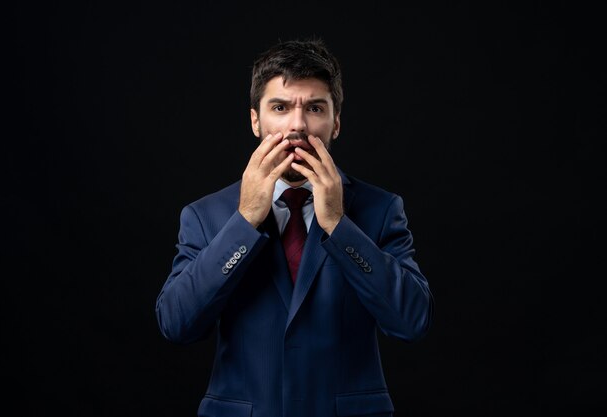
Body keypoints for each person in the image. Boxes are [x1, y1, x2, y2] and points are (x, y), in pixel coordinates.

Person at [156, 38, 434, 417]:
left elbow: (412, 320)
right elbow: (176, 324)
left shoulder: (381, 209)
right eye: (280, 107)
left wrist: (338, 224)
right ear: (256, 120)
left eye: (315, 108)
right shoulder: (206, 215)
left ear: (336, 123)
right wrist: (244, 223)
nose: (298, 125)